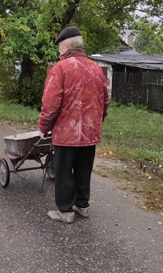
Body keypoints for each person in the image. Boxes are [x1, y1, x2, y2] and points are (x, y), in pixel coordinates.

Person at [38, 26, 109, 223]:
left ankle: (65, 211)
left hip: (67, 134)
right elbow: (105, 101)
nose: (59, 51)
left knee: (63, 171)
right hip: (90, 133)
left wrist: (44, 127)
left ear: (67, 45)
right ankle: (82, 206)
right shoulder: (96, 68)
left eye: (60, 47)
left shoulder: (60, 69)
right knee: (83, 170)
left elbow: (50, 103)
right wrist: (97, 123)